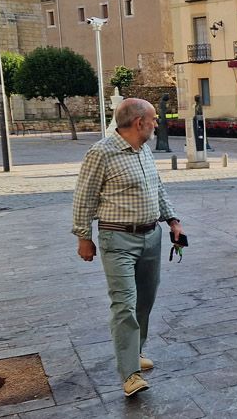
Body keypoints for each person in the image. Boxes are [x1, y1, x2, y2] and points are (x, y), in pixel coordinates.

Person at [72, 98, 184, 398]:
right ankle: (129, 374)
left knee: (144, 301)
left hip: (151, 237)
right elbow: (84, 198)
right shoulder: (101, 153)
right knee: (124, 304)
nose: (156, 123)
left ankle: (135, 352)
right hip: (117, 240)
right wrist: (84, 237)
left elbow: (157, 188)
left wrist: (172, 220)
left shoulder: (144, 150)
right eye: (153, 119)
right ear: (139, 123)